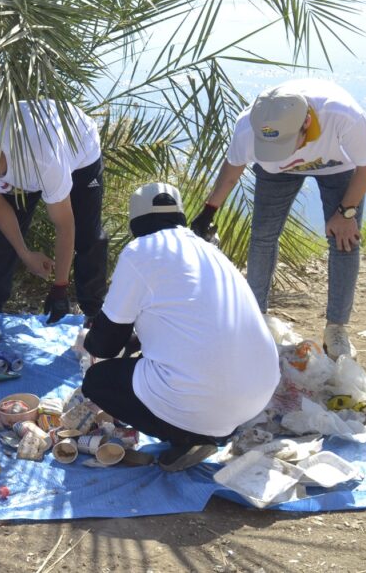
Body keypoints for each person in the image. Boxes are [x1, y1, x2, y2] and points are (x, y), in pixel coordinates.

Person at [82, 183, 279, 471]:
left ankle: (190, 435)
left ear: (135, 223)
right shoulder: (209, 250)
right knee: (166, 368)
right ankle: (213, 427)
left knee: (97, 381)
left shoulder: (139, 251)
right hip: (257, 395)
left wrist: (90, 341)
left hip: (207, 400)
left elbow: (105, 344)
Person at [190, 79, 366, 360]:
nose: (287, 152)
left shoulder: (342, 116)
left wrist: (346, 213)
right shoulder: (248, 126)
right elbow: (231, 174)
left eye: (286, 143)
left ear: (306, 122)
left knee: (345, 238)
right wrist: (207, 212)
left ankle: (336, 329)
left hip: (336, 165)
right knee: (262, 236)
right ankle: (256, 319)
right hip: (275, 172)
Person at [0, 99, 108, 352]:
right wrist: (26, 254)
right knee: (2, 239)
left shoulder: (45, 163)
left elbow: (65, 225)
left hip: (77, 144)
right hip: (21, 155)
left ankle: (93, 314)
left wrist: (59, 287)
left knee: (88, 236)